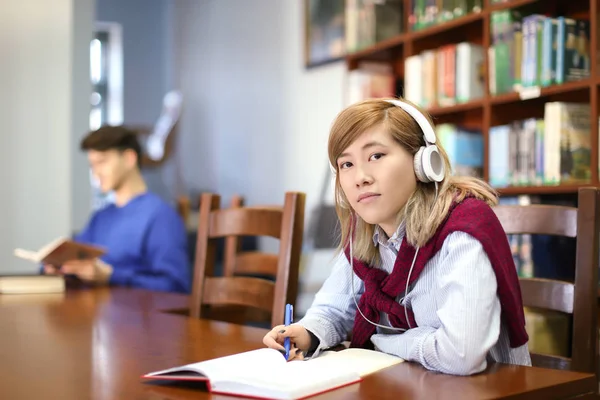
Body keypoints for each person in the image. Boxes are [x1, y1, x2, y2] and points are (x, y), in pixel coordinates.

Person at [263, 98, 531, 375]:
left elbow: (461, 355)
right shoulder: (365, 234)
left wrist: (386, 343)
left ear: (423, 162)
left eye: (376, 156)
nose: (361, 177)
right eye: (346, 164)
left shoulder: (462, 230)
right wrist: (304, 333)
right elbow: (333, 309)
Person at [44, 125, 191, 293]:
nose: (96, 173)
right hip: (95, 312)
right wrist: (61, 268)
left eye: (102, 162)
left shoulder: (160, 216)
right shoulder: (101, 217)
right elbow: (78, 262)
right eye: (92, 165)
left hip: (136, 316)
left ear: (129, 158)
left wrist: (111, 276)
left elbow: (176, 286)